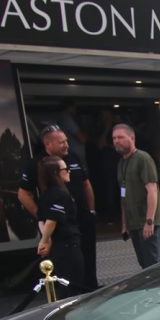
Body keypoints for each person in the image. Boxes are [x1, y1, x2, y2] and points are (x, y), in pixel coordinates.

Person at [18, 124, 98, 291]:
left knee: (87, 259)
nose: (66, 145)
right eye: (61, 142)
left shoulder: (74, 157)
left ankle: (91, 290)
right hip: (61, 226)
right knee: (67, 267)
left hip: (81, 218)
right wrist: (43, 222)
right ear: (48, 144)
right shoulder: (38, 165)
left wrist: (91, 211)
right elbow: (24, 194)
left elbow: (86, 183)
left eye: (66, 141)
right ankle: (70, 297)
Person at [113, 123, 160, 268]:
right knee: (144, 264)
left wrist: (149, 222)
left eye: (120, 137)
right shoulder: (121, 163)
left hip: (147, 221)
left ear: (132, 138)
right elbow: (123, 195)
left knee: (152, 263)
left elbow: (152, 190)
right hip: (134, 223)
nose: (116, 141)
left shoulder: (143, 158)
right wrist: (124, 224)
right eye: (114, 138)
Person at [35, 156, 83, 299]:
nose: (69, 172)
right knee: (72, 285)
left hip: (57, 246)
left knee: (64, 285)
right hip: (67, 245)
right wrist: (44, 241)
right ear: (55, 173)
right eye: (65, 169)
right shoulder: (60, 194)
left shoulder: (45, 195)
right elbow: (51, 220)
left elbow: (41, 221)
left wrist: (47, 240)